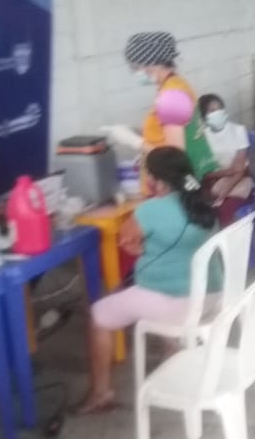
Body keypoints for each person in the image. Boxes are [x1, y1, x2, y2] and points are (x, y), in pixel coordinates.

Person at [77, 146, 219, 414]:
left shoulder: (150, 210)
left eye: (148, 175)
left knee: (98, 315)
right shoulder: (204, 203)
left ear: (156, 180)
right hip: (212, 296)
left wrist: (143, 249)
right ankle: (174, 348)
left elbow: (127, 242)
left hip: (177, 303)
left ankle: (100, 393)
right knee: (143, 290)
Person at [124, 32, 218, 189]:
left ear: (150, 63)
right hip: (179, 181)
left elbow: (174, 158)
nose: (134, 72)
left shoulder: (171, 96)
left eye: (135, 67)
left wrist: (134, 142)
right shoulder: (176, 85)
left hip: (172, 187)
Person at [196, 94, 253, 227]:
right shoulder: (201, 137)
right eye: (212, 110)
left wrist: (226, 189)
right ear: (204, 115)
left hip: (239, 180)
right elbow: (203, 173)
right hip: (213, 183)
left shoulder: (238, 130)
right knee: (206, 207)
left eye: (219, 108)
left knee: (226, 208)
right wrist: (226, 173)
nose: (217, 113)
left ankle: (234, 237)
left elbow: (239, 169)